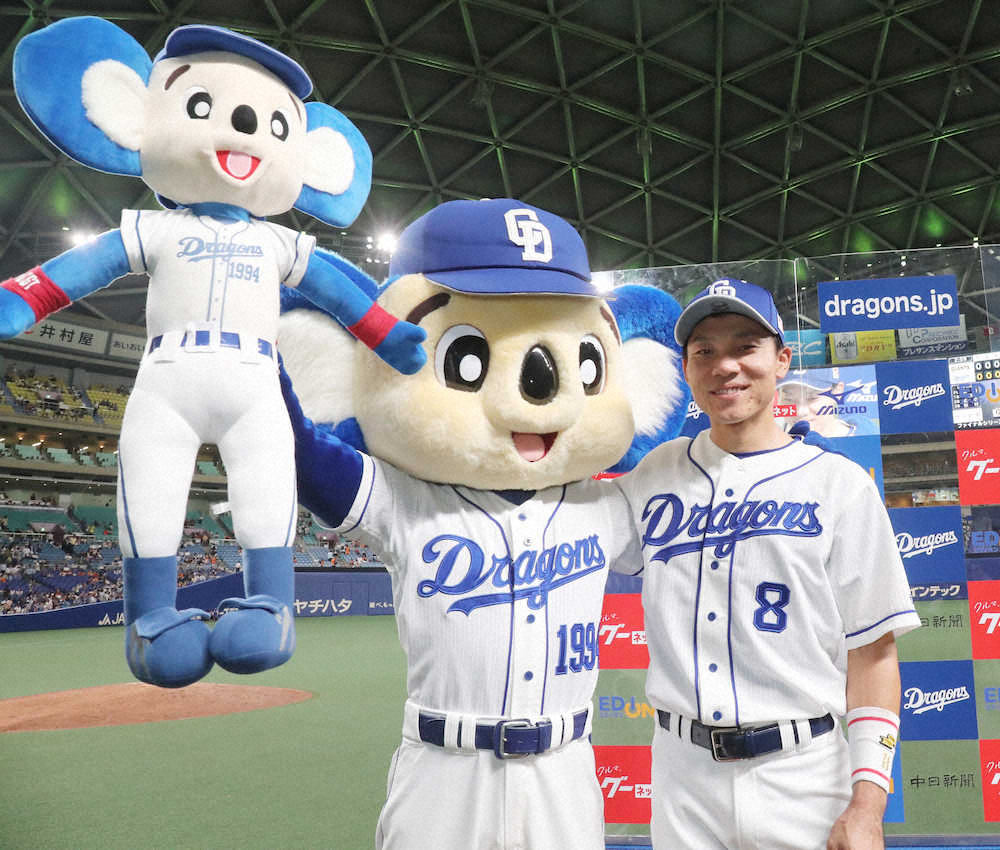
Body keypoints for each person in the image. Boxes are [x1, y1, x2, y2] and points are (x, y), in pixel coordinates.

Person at [614, 279, 920, 850]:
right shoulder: (654, 473)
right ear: (687, 371)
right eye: (705, 350)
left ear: (782, 360)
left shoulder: (839, 485)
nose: (725, 365)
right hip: (683, 778)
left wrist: (868, 805)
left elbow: (874, 654)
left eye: (745, 346)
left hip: (803, 775)